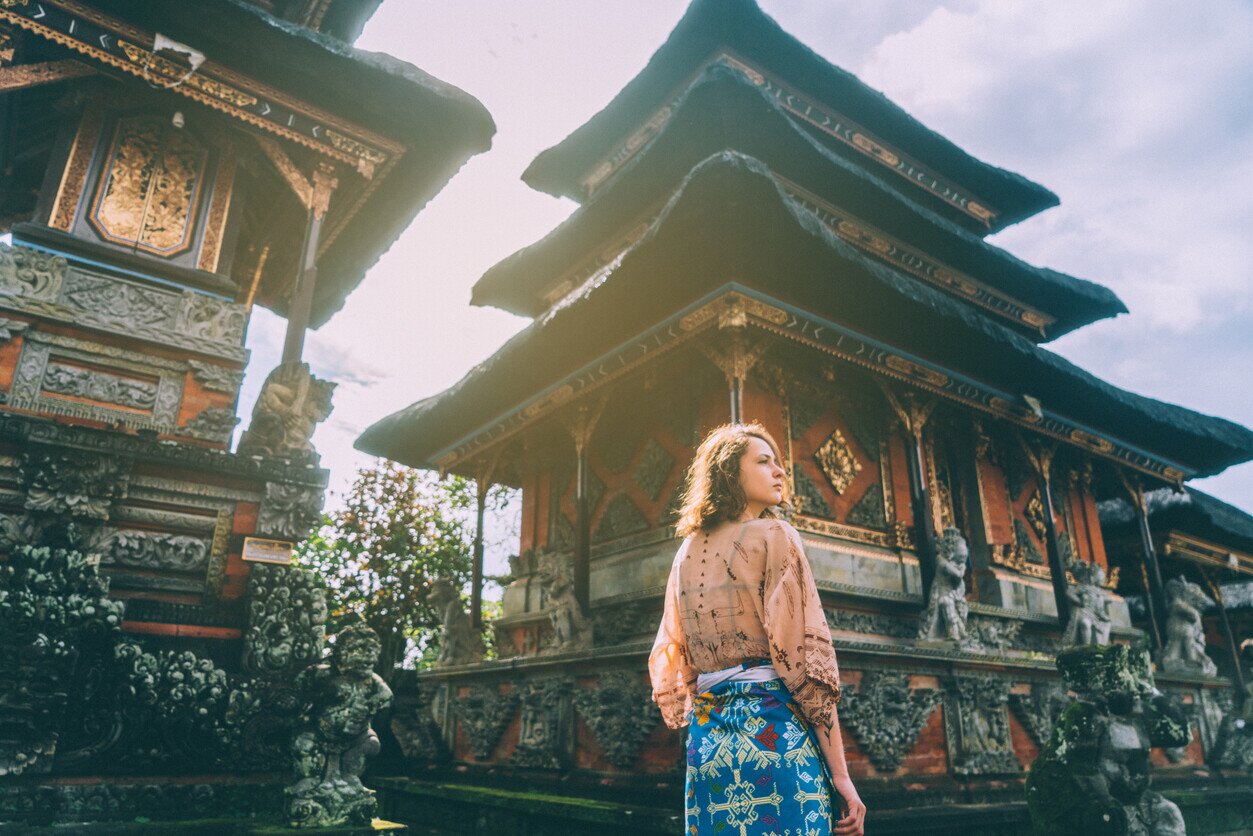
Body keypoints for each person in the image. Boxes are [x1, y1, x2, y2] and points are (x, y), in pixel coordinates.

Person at [649, 422, 866, 836]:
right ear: (731, 472)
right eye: (764, 462)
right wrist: (841, 777)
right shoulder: (775, 535)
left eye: (778, 463)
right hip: (773, 737)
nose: (780, 471)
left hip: (708, 746)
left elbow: (679, 660)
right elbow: (804, 666)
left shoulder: (685, 551)